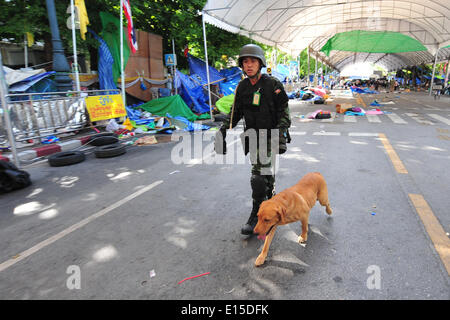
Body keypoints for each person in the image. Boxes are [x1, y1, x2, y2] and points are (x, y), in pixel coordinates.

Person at [214, 44, 291, 235]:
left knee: (258, 176)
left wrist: (281, 131)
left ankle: (257, 212)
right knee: (265, 177)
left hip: (271, 135)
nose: (249, 65)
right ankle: (270, 206)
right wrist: (223, 130)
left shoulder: (273, 85)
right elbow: (235, 112)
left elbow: (284, 112)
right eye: (245, 62)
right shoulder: (242, 87)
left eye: (253, 61)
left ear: (260, 63)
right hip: (252, 137)